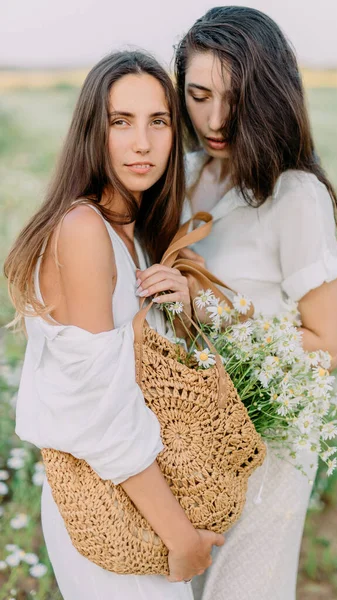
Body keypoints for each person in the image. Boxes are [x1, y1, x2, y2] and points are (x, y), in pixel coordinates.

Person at [4, 50, 223, 600]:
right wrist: (183, 539)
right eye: (119, 122)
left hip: (135, 495)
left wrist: (183, 305)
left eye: (159, 121)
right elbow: (102, 412)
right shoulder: (83, 229)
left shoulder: (133, 230)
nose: (142, 143)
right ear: (91, 132)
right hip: (107, 501)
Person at [173, 7, 337, 600]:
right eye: (198, 95)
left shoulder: (294, 194)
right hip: (184, 429)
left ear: (272, 95)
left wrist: (210, 314)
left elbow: (326, 344)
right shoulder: (183, 173)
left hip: (266, 439)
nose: (215, 118)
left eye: (236, 98)